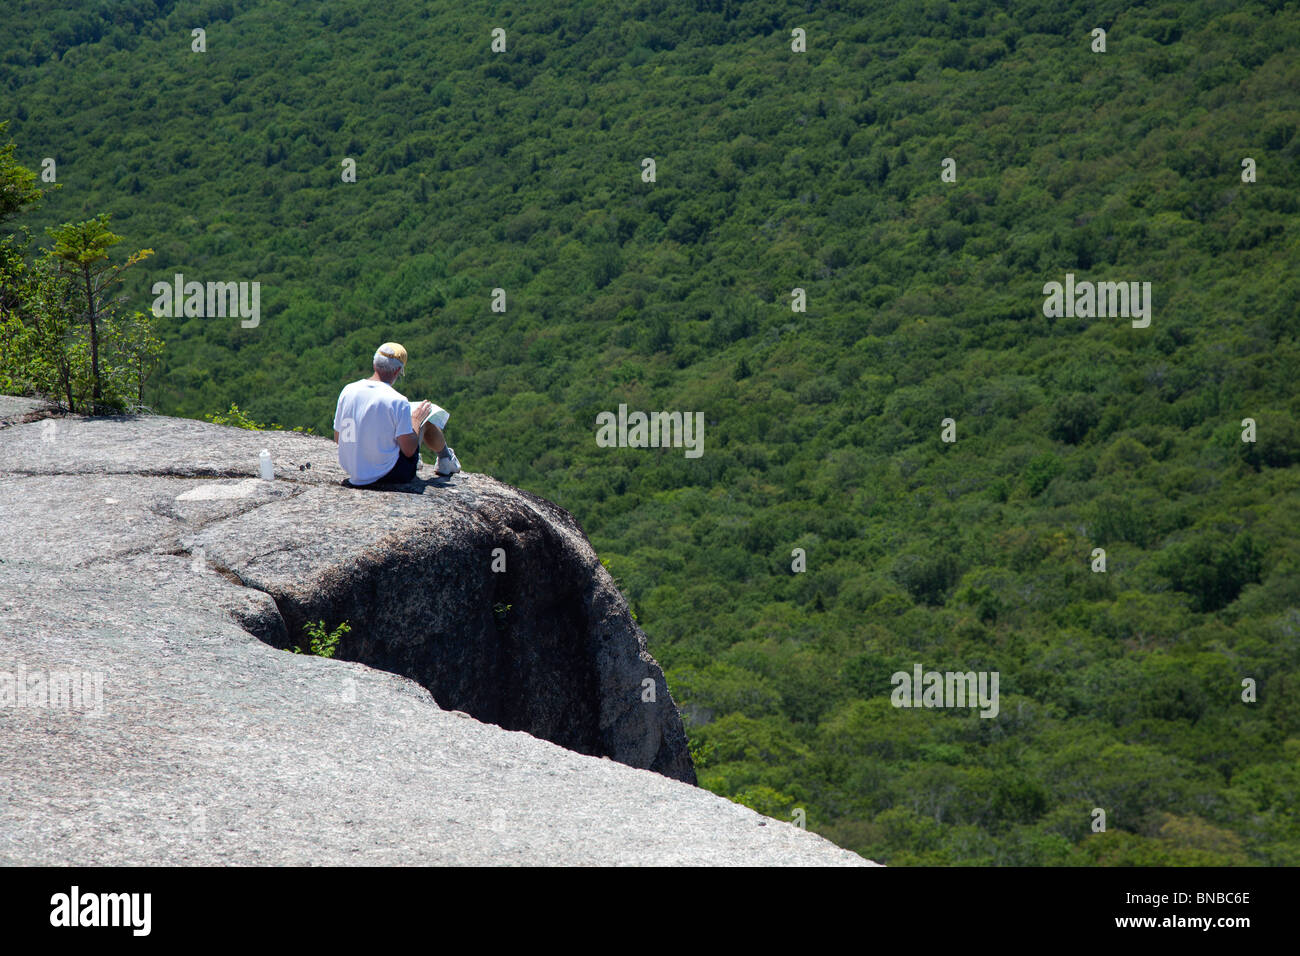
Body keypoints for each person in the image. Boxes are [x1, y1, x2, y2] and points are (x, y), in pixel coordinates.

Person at [332, 342, 460, 486]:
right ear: (397, 371)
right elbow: (409, 450)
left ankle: (445, 459)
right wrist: (416, 421)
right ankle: (445, 460)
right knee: (424, 419)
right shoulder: (398, 401)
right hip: (389, 475)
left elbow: (338, 438)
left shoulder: (348, 391)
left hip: (352, 468)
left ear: (375, 365)